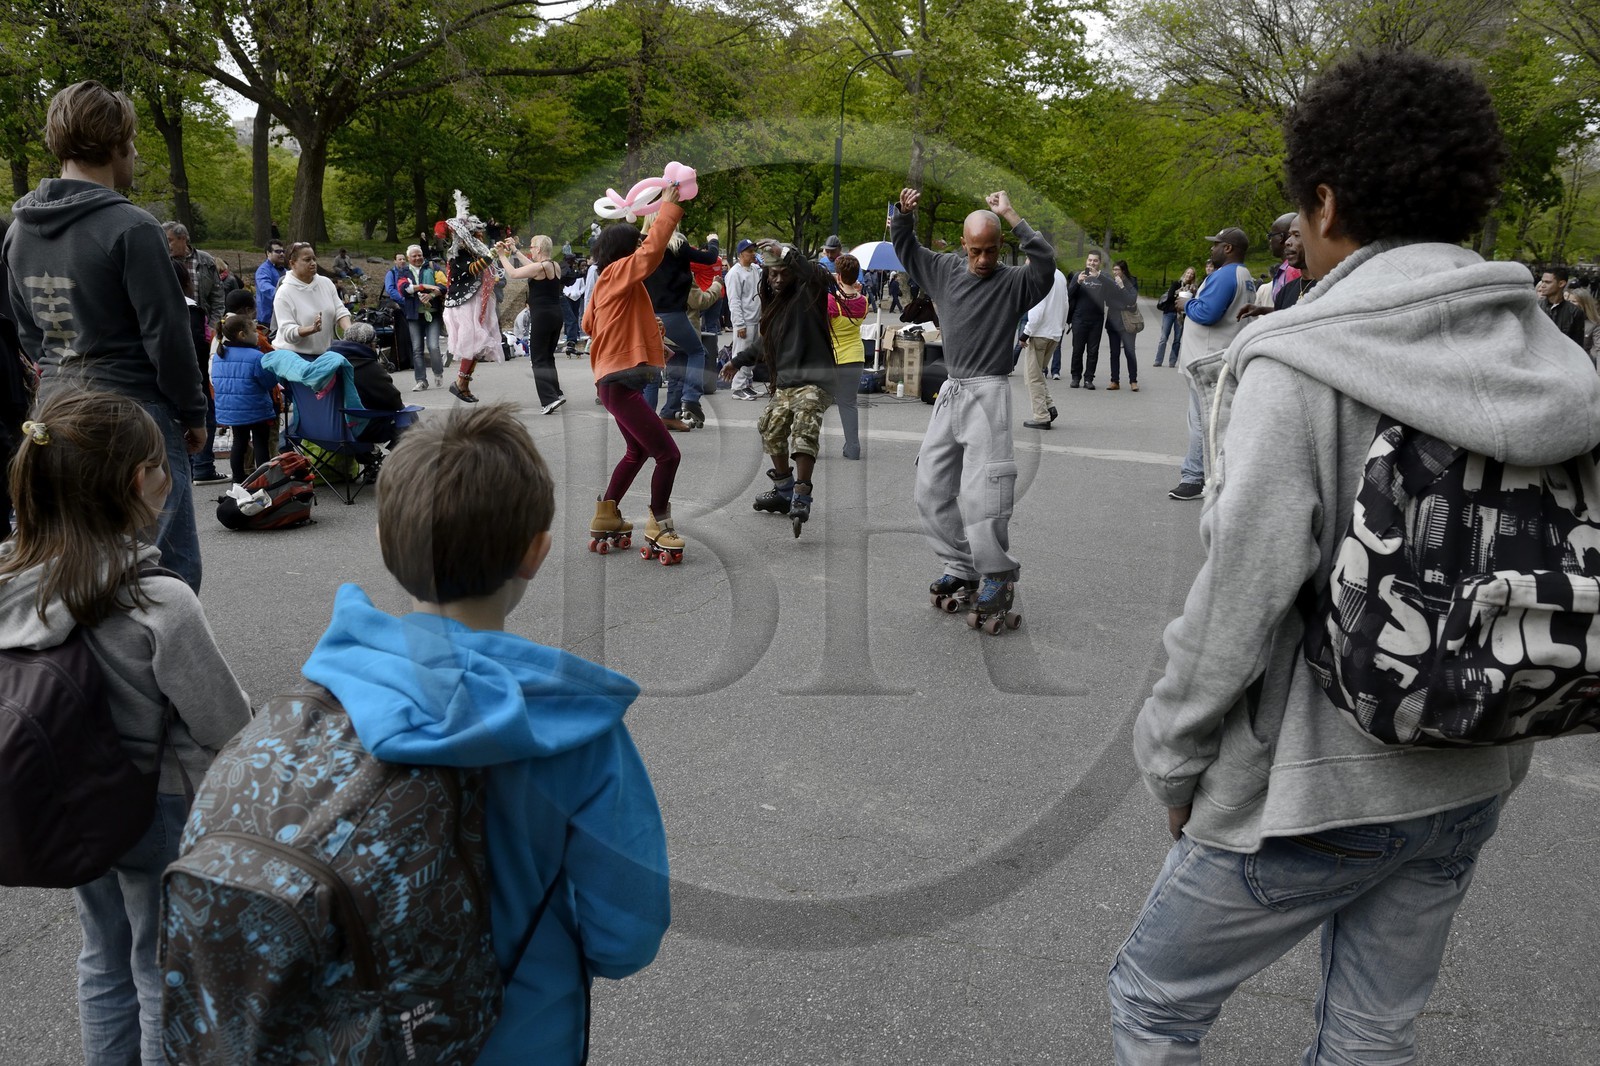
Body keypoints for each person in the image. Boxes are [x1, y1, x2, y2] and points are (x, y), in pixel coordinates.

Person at [1105, 50, 1600, 1065]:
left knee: (1153, 1000)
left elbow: (1238, 595)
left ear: (1324, 202)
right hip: (1478, 757)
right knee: (1372, 1026)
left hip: (1315, 782)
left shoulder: (1301, 359)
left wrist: (1173, 750)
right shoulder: (1553, 356)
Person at [297, 404, 669, 1065]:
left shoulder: (326, 696)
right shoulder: (575, 733)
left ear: (385, 543)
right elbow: (627, 936)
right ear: (536, 552)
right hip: (521, 1037)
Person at [0, 390, 250, 1066]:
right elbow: (223, 721)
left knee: (101, 956)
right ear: (141, 481)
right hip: (153, 804)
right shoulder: (156, 599)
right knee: (156, 966)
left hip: (66, 800)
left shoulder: (11, 580)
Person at [2, 80, 207, 590]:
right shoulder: (132, 227)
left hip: (55, 413)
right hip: (133, 414)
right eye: (132, 143)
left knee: (75, 561)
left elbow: (28, 333)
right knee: (165, 568)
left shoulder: (18, 229)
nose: (135, 154)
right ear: (115, 144)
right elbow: (167, 335)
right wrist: (194, 410)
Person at [891, 188, 1055, 625]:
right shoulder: (944, 270)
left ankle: (997, 575)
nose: (983, 260)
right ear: (963, 244)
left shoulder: (1016, 282)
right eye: (976, 250)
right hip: (952, 391)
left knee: (987, 493)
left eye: (992, 250)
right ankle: (960, 567)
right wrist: (903, 216)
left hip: (989, 393)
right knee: (929, 487)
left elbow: (1047, 264)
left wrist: (1012, 215)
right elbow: (907, 250)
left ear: (1002, 247)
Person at [582, 183, 687, 562]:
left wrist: (645, 334)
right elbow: (651, 251)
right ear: (625, 252)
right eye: (635, 244)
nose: (640, 248)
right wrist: (668, 211)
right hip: (620, 383)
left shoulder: (608, 285)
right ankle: (659, 522)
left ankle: (607, 515)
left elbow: (589, 324)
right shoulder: (616, 275)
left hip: (615, 381)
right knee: (668, 455)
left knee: (637, 451)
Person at [719, 241, 836, 537]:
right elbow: (764, 345)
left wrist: (786, 253)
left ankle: (802, 491)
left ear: (794, 272)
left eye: (784, 273)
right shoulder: (775, 307)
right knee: (770, 427)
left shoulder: (810, 292)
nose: (779, 279)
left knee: (804, 425)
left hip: (814, 380)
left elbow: (818, 276)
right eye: (773, 275)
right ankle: (784, 489)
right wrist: (737, 361)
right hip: (786, 384)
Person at [1166, 226, 1254, 501]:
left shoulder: (1227, 274)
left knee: (1203, 423)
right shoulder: (1243, 274)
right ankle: (1208, 476)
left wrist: (1186, 303)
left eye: (1215, 244)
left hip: (1208, 358)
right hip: (1217, 355)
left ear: (1228, 248)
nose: (1211, 249)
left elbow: (1208, 313)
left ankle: (1194, 478)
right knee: (1208, 421)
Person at [641, 216, 720, 429]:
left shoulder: (642, 244)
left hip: (647, 315)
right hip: (672, 315)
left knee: (652, 369)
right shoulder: (678, 245)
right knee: (697, 352)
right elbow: (710, 258)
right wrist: (713, 240)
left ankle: (647, 423)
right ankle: (691, 398)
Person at [440, 193, 505, 403]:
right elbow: (472, 269)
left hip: (475, 302)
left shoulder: (473, 254)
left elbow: (487, 273)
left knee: (477, 347)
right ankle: (460, 384)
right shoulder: (457, 256)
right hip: (464, 305)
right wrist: (492, 255)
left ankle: (462, 385)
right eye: (477, 235)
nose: (481, 238)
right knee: (474, 343)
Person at [496, 234, 566, 414]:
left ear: (540, 249)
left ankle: (548, 400)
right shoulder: (554, 265)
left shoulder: (539, 267)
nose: (531, 250)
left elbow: (513, 273)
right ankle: (556, 393)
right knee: (548, 357)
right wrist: (515, 251)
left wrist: (502, 255)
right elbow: (532, 266)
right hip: (556, 315)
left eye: (533, 247)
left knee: (538, 359)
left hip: (542, 316)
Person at [173, 260, 226, 485]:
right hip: (195, 377)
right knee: (206, 419)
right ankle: (202, 466)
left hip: (172, 377)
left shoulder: (157, 308)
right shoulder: (191, 310)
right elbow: (194, 347)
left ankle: (191, 466)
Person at [212, 313, 279, 482]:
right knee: (260, 444)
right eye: (254, 331)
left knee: (239, 443)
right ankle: (262, 481)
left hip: (233, 410)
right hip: (256, 409)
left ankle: (238, 481)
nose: (257, 335)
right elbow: (268, 382)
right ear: (242, 335)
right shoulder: (256, 357)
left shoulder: (220, 356)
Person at [272, 243, 351, 357]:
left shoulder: (326, 283)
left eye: (314, 259)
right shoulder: (284, 292)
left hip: (323, 354)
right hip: (293, 357)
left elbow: (340, 311)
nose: (313, 263)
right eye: (307, 260)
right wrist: (312, 329)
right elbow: (287, 332)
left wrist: (350, 331)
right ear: (292, 263)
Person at [827, 252, 869, 460]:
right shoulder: (864, 301)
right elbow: (857, 305)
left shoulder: (831, 301)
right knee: (848, 403)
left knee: (817, 403)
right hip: (856, 355)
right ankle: (853, 448)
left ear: (839, 276)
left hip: (833, 357)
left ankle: (808, 447)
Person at [387, 244, 442, 392]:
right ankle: (421, 380)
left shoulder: (432, 266)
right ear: (409, 258)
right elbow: (404, 289)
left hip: (433, 313)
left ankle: (438, 372)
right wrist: (426, 286)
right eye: (414, 256)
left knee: (433, 346)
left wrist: (431, 294)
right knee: (417, 349)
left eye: (419, 255)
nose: (417, 258)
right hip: (413, 315)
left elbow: (443, 285)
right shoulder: (403, 271)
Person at [1018, 260, 1067, 428]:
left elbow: (1037, 309)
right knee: (1038, 374)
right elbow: (1065, 304)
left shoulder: (1038, 277)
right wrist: (1059, 328)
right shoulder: (1059, 275)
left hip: (1039, 333)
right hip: (1053, 333)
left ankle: (1041, 416)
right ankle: (1049, 406)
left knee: (1032, 377)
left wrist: (1025, 333)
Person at [163, 222, 224, 331]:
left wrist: (212, 327)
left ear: (183, 239)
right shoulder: (163, 262)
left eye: (169, 240)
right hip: (175, 328)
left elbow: (218, 298)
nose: (165, 245)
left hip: (203, 326)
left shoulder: (206, 260)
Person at [726, 238, 764, 400]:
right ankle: (738, 387)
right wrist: (739, 323)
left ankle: (747, 384)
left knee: (751, 354)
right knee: (741, 352)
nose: (752, 254)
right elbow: (734, 300)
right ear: (741, 253)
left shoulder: (755, 269)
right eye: (749, 251)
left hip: (756, 318)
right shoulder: (734, 273)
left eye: (753, 250)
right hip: (745, 320)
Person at [1066, 252, 1107, 388]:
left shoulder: (1103, 278)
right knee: (1077, 350)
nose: (1092, 263)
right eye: (1090, 260)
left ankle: (1089, 379)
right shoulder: (1079, 275)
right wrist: (1078, 283)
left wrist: (1100, 278)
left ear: (1099, 262)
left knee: (1093, 351)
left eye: (1095, 261)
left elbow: (1111, 294)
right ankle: (1075, 377)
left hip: (1096, 320)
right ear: (1086, 261)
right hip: (1079, 319)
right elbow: (1068, 294)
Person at [1103, 260, 1141, 392]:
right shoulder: (1110, 283)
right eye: (1113, 270)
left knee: (1130, 352)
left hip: (1128, 323)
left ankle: (1133, 381)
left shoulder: (1132, 282)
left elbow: (1132, 299)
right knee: (1114, 353)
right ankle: (1115, 381)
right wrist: (1125, 306)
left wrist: (1122, 287)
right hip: (1113, 322)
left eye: (1117, 270)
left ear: (1123, 271)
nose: (1115, 273)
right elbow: (1108, 301)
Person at [1152, 267, 1195, 368]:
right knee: (1163, 337)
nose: (1189, 275)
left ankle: (1172, 361)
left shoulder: (1193, 288)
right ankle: (1158, 360)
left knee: (1177, 339)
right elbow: (1170, 296)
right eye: (1188, 273)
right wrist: (1182, 296)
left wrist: (1189, 297)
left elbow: (1193, 301)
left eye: (1192, 274)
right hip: (1169, 312)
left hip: (1181, 315)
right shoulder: (1176, 283)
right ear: (1185, 274)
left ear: (1193, 276)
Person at [1537, 265, 1587, 348]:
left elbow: (1577, 346)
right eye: (1542, 281)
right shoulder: (1536, 307)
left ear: (1561, 283)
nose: (1542, 285)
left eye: (1547, 282)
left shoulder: (1575, 312)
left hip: (1563, 357)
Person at [254, 240, 286, 332]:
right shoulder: (263, 270)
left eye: (283, 251)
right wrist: (284, 295)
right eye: (277, 251)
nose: (281, 254)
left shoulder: (285, 270)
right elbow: (265, 287)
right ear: (268, 253)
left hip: (281, 315)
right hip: (267, 318)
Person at [1567, 285, 1599, 361]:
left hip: (1582, 362)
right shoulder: (1561, 318)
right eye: (1568, 301)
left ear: (1584, 304)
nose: (1570, 304)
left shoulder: (1594, 324)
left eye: (1574, 301)